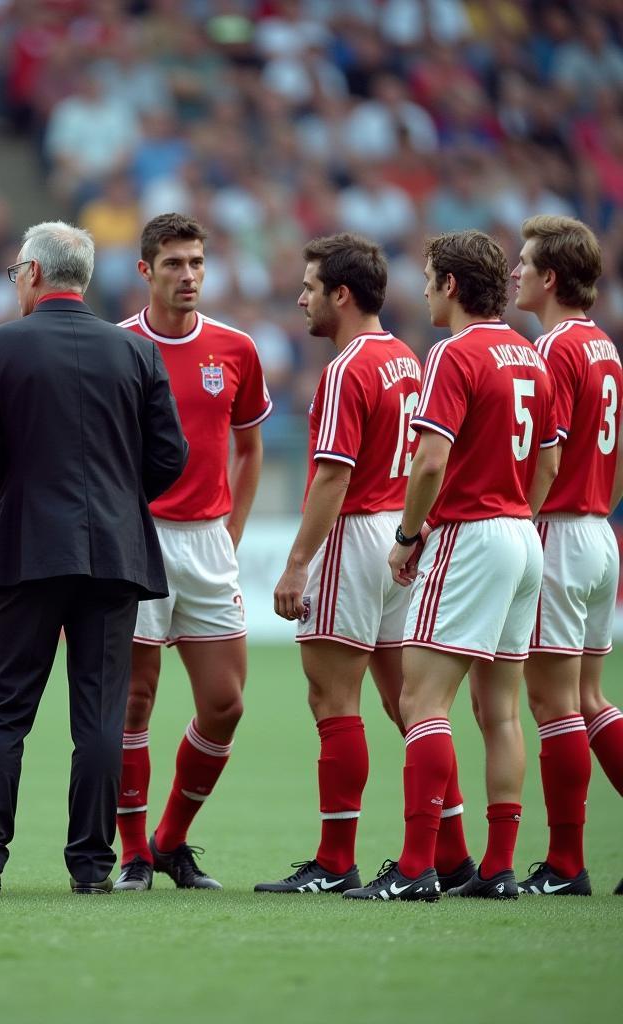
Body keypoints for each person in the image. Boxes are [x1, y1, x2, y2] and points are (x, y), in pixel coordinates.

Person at [0, 221, 188, 895]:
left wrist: (0, 498)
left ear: (31, 273)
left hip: (26, 547)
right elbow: (171, 455)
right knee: (100, 717)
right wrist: (118, 497)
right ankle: (91, 866)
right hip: (114, 553)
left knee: (4, 712)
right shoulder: (136, 353)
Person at [344, 230, 559, 901]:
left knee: (421, 700)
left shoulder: (452, 354)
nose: (426, 288)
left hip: (471, 533)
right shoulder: (529, 354)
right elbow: (548, 461)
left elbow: (430, 460)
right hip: (524, 535)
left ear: (452, 285)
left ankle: (415, 870)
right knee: (500, 711)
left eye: (431, 276)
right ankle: (497, 869)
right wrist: (515, 514)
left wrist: (409, 536)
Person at [255, 233, 432, 895]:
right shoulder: (405, 360)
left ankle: (335, 861)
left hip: (354, 534)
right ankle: (447, 848)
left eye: (309, 287)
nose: (300, 299)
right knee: (409, 702)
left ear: (341, 294)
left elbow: (332, 477)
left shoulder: (346, 368)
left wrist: (297, 564)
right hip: (396, 539)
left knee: (333, 698)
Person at [113, 213, 271, 892]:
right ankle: (133, 856)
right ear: (145, 271)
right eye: (174, 264)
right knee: (133, 705)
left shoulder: (236, 348)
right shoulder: (116, 346)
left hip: (208, 542)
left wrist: (230, 534)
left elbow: (250, 446)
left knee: (225, 703)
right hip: (136, 538)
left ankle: (170, 839)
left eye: (197, 263)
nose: (188, 276)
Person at [513, 214, 623, 896]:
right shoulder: (606, 347)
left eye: (524, 263)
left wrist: (520, 524)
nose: (515, 273)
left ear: (550, 276)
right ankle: (566, 862)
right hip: (599, 533)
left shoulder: (552, 350)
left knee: (553, 701)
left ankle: (565, 864)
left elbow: (545, 458)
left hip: (556, 531)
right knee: (588, 697)